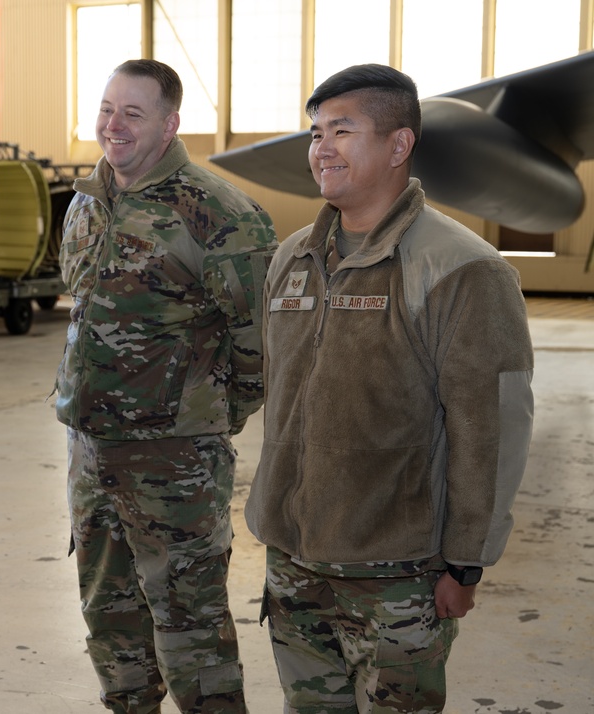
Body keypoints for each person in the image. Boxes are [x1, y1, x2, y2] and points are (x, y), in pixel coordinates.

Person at [244, 64, 535, 712]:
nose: (321, 147)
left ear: (399, 145)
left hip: (398, 576)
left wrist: (466, 563)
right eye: (316, 131)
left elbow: (489, 428)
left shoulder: (463, 270)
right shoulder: (292, 259)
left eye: (342, 131)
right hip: (293, 559)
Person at [55, 59, 278, 713]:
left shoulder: (220, 213)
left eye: (132, 113)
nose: (112, 125)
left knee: (190, 622)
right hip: (89, 453)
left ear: (170, 123)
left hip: (175, 461)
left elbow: (259, 346)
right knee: (109, 614)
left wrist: (200, 418)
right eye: (105, 109)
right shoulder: (87, 202)